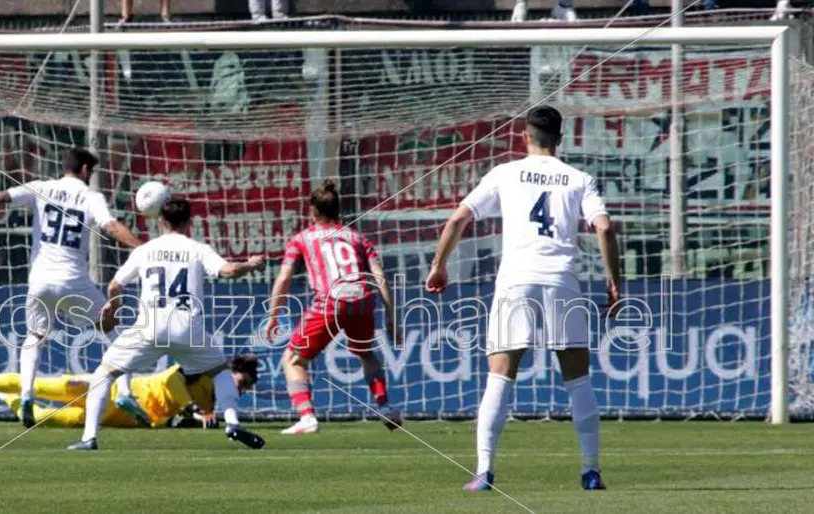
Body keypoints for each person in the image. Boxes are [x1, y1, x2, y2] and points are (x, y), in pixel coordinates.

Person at [425, 105, 619, 492]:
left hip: (516, 281)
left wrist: (438, 266)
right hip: (561, 280)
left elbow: (458, 218)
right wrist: (614, 283)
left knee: (500, 377)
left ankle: (484, 471)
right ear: (560, 138)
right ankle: (590, 471)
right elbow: (604, 228)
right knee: (578, 380)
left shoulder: (505, 173)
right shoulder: (579, 179)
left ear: (524, 136)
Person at [0, 148, 146, 428]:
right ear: (85, 170)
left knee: (35, 336)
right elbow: (111, 227)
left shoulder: (41, 188)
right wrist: (142, 248)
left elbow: (0, 197)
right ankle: (124, 393)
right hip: (74, 281)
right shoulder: (91, 197)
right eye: (91, 171)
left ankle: (27, 396)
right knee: (112, 329)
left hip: (39, 281)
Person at [67, 198, 267, 450]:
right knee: (220, 372)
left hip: (149, 328)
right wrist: (250, 264)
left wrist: (114, 308)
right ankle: (232, 423)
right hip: (188, 330)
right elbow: (227, 270)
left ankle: (89, 438)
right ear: (189, 222)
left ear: (161, 221)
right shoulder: (198, 249)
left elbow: (115, 284)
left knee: (104, 373)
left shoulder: (145, 250)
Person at [263, 181, 401, 435]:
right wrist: (391, 316)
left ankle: (307, 417)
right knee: (367, 354)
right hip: (362, 299)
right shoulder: (357, 237)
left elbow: (284, 278)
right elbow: (379, 275)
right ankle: (385, 406)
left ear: (312, 211)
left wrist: (273, 317)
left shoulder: (301, 239)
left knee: (292, 359)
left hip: (330, 301)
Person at [0, 354, 260, 428]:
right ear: (232, 370)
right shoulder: (205, 372)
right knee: (47, 385)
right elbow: (172, 380)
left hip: (136, 418)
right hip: (124, 390)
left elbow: (177, 420)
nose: (240, 389)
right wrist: (191, 408)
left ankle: (3, 397)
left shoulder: (219, 404)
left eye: (245, 387)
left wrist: (192, 418)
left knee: (48, 419)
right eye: (241, 382)